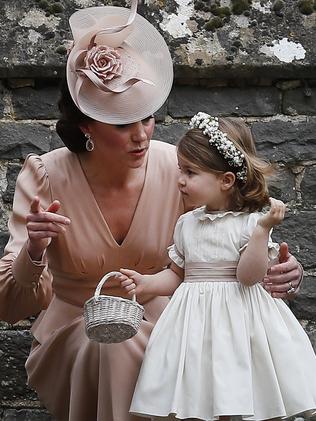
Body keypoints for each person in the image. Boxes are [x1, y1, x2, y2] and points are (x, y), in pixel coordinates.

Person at [0, 0, 303, 418]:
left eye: (148, 118)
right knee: (111, 346)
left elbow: (230, 232)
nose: (141, 136)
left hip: (175, 326)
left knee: (154, 352)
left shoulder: (177, 170)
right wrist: (34, 251)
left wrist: (284, 268)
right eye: (123, 124)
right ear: (87, 126)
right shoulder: (45, 176)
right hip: (78, 330)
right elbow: (11, 305)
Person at [120, 112, 316, 421]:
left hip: (240, 323)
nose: (180, 180)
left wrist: (263, 230)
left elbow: (249, 276)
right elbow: (177, 275)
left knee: (237, 390)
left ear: (226, 180)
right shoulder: (187, 224)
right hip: (193, 327)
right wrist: (147, 284)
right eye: (180, 170)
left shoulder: (250, 223)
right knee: (198, 396)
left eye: (190, 172)